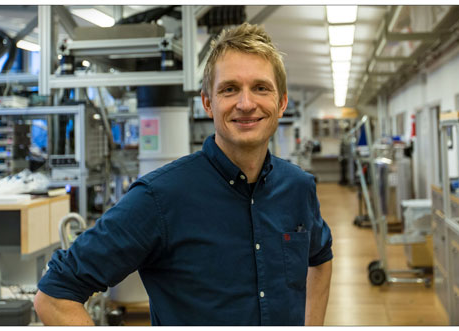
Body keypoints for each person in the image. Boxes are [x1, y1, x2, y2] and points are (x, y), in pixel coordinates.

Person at [34, 22, 333, 326]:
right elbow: (56, 293)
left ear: (281, 102)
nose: (246, 104)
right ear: (208, 103)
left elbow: (320, 258)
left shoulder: (299, 187)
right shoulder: (159, 198)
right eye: (229, 89)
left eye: (260, 88)